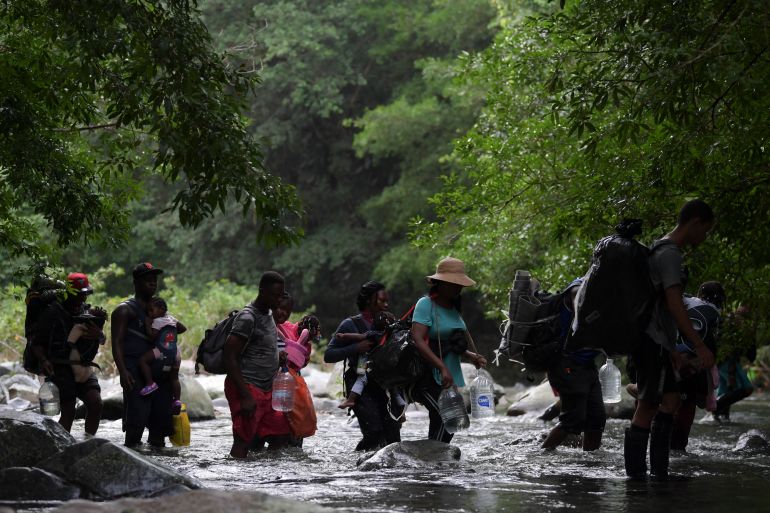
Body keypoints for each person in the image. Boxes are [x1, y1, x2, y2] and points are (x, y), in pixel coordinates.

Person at [624, 199, 715, 480]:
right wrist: (698, 346)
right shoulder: (669, 254)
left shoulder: (661, 249)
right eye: (706, 230)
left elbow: (661, 305)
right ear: (696, 222)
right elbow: (675, 304)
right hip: (650, 340)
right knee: (648, 405)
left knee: (671, 400)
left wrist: (671, 347)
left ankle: (659, 473)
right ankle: (637, 480)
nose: (704, 237)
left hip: (658, 341)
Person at [411, 257, 487, 443]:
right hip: (426, 374)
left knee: (450, 419)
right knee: (443, 414)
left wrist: (469, 355)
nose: (458, 288)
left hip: (447, 375)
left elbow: (449, 343)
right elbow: (418, 340)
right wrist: (442, 367)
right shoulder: (425, 304)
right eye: (453, 283)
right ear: (440, 283)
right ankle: (435, 458)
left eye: (459, 284)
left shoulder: (453, 307)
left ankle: (437, 462)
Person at [324, 281, 403, 451]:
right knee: (373, 432)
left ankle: (387, 475)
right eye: (382, 301)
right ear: (369, 300)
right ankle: (358, 465)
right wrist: (356, 348)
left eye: (387, 301)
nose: (386, 305)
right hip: (360, 383)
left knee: (393, 437)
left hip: (385, 385)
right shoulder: (349, 324)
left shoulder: (389, 323)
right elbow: (328, 355)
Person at [223, 271, 291, 458]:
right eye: (274, 295)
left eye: (281, 295)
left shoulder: (269, 313)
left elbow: (262, 345)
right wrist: (245, 395)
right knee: (243, 440)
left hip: (268, 389)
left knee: (279, 435)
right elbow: (229, 357)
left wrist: (278, 356)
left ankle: (266, 480)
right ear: (262, 291)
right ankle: (236, 481)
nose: (278, 300)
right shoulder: (247, 317)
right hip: (247, 386)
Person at [111, 262, 175, 447]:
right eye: (147, 279)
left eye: (154, 279)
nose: (152, 283)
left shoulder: (160, 309)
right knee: (136, 421)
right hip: (134, 370)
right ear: (136, 282)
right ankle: (132, 460)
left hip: (159, 371)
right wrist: (123, 372)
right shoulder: (124, 310)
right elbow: (116, 343)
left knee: (160, 423)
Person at [33, 272, 105, 435]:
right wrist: (44, 361)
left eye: (84, 294)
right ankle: (62, 450)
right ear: (67, 293)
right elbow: (36, 343)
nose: (82, 298)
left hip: (83, 366)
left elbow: (101, 339)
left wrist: (99, 335)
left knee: (96, 404)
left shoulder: (86, 312)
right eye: (78, 294)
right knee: (69, 412)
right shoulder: (52, 313)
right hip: (60, 368)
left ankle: (89, 445)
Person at [542, 280, 606, 451]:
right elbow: (576, 295)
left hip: (587, 366)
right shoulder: (578, 287)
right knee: (573, 419)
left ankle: (590, 461)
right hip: (566, 365)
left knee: (597, 418)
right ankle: (542, 454)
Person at [670, 281, 725, 451]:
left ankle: (667, 442)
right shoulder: (714, 312)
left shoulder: (686, 300)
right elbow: (708, 344)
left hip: (669, 354)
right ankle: (679, 446)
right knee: (687, 404)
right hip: (691, 362)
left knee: (668, 401)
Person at [335, 311, 401, 410]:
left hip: (370, 364)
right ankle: (401, 405)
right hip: (387, 366)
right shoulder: (394, 336)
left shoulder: (373, 334)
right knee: (392, 385)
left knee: (361, 378)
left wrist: (344, 336)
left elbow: (359, 337)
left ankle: (351, 400)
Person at [137, 297, 186, 415]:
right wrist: (172, 332)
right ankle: (177, 400)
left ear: (161, 309)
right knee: (174, 378)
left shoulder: (157, 321)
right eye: (148, 311)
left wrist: (148, 325)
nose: (149, 313)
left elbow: (151, 336)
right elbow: (183, 328)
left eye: (151, 310)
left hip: (161, 351)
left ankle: (150, 383)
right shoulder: (171, 319)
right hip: (175, 353)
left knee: (142, 360)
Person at [714, 304, 755, 421]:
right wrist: (731, 370)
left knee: (726, 391)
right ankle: (715, 409)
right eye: (744, 305)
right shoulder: (729, 321)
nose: (747, 308)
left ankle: (721, 415)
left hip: (725, 361)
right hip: (725, 361)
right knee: (745, 388)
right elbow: (726, 345)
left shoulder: (744, 323)